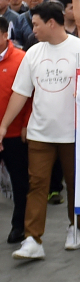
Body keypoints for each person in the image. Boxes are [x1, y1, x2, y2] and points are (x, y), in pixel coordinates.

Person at [1, 2, 80, 260]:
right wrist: (3, 125)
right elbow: (21, 92)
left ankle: (75, 228)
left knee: (74, 184)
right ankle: (32, 239)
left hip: (74, 133)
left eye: (36, 24)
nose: (32, 28)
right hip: (40, 133)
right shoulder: (34, 53)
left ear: (51, 23)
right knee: (36, 185)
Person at [0, 22, 28, 244]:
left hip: (14, 133)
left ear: (4, 34)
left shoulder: (21, 59)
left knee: (20, 182)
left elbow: (30, 95)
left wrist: (27, 124)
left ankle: (19, 225)